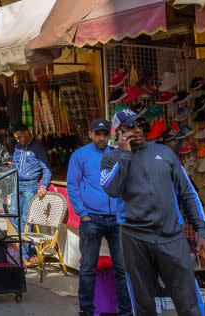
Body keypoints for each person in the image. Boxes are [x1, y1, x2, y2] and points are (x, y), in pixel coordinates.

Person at [100, 108, 205, 316]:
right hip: (134, 239)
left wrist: (201, 231)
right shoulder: (110, 159)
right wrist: (124, 154)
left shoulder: (165, 152)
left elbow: (188, 193)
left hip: (171, 238)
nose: (138, 129)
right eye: (131, 126)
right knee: (144, 306)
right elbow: (111, 189)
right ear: (119, 131)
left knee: (189, 304)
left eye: (140, 124)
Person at [67, 119, 131, 316]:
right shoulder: (80, 155)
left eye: (105, 134)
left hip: (117, 220)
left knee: (122, 268)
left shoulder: (117, 153)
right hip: (92, 219)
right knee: (88, 268)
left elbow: (127, 180)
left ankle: (126, 311)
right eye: (98, 134)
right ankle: (86, 310)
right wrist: (82, 213)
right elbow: (73, 185)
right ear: (90, 134)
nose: (102, 138)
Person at [9, 123, 52, 266]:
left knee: (26, 220)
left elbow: (46, 169)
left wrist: (44, 185)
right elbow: (15, 164)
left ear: (27, 133)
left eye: (20, 137)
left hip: (30, 186)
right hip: (17, 184)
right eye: (16, 138)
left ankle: (26, 254)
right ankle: (29, 250)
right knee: (13, 215)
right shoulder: (17, 147)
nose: (18, 140)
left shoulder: (37, 147)